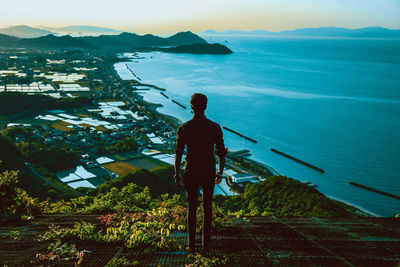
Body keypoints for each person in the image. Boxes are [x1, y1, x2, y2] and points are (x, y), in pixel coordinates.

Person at [174, 93, 227, 253]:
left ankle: (191, 246)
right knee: (207, 208)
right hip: (208, 171)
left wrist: (177, 174)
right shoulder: (214, 127)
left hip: (191, 171)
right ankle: (206, 246)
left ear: (191, 107)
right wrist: (220, 172)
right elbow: (221, 153)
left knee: (192, 209)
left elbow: (178, 153)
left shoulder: (184, 128)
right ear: (205, 106)